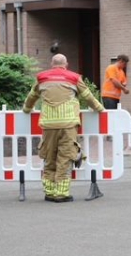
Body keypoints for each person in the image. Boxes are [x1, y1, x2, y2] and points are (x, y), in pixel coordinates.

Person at [23, 54, 104, 203]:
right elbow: (88, 96)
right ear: (66, 64)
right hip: (68, 125)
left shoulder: (42, 78)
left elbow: (31, 97)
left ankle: (49, 192)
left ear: (51, 64)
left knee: (49, 157)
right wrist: (99, 109)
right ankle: (61, 193)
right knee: (65, 159)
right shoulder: (73, 78)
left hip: (48, 125)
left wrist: (27, 109)